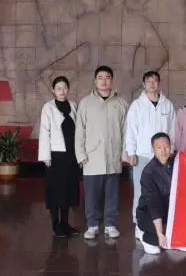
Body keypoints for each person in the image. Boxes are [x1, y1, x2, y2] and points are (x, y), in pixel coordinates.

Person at [75, 66, 128, 240]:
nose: (104, 81)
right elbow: (79, 131)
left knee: (112, 194)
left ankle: (110, 224)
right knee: (92, 195)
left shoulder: (121, 103)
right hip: (92, 157)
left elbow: (126, 131)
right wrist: (81, 154)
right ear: (95, 81)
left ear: (112, 80)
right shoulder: (85, 103)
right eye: (100, 77)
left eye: (107, 77)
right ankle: (92, 225)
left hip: (113, 155)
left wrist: (124, 153)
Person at [125, 71, 176, 238]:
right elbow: (131, 130)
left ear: (159, 83)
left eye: (155, 81)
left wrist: (171, 150)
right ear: (144, 84)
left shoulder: (167, 105)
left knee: (164, 190)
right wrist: (131, 151)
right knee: (141, 191)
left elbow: (173, 130)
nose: (152, 84)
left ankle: (163, 224)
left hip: (163, 156)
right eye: (149, 81)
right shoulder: (137, 105)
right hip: (143, 154)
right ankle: (138, 224)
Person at [136, 132, 186, 255]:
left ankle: (170, 238)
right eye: (159, 148)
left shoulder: (177, 161)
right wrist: (159, 232)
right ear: (153, 150)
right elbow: (153, 204)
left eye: (166, 147)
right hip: (150, 213)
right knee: (161, 239)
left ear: (170, 147)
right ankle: (145, 237)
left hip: (170, 211)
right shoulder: (148, 173)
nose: (163, 151)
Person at [38, 76, 81, 237]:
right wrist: (45, 156)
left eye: (64, 88)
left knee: (68, 189)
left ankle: (65, 224)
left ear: (68, 89)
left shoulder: (73, 106)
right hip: (55, 156)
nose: (62, 91)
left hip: (71, 155)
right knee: (56, 190)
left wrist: (80, 154)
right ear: (53, 90)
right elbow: (44, 132)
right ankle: (56, 225)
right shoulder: (48, 108)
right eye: (58, 88)